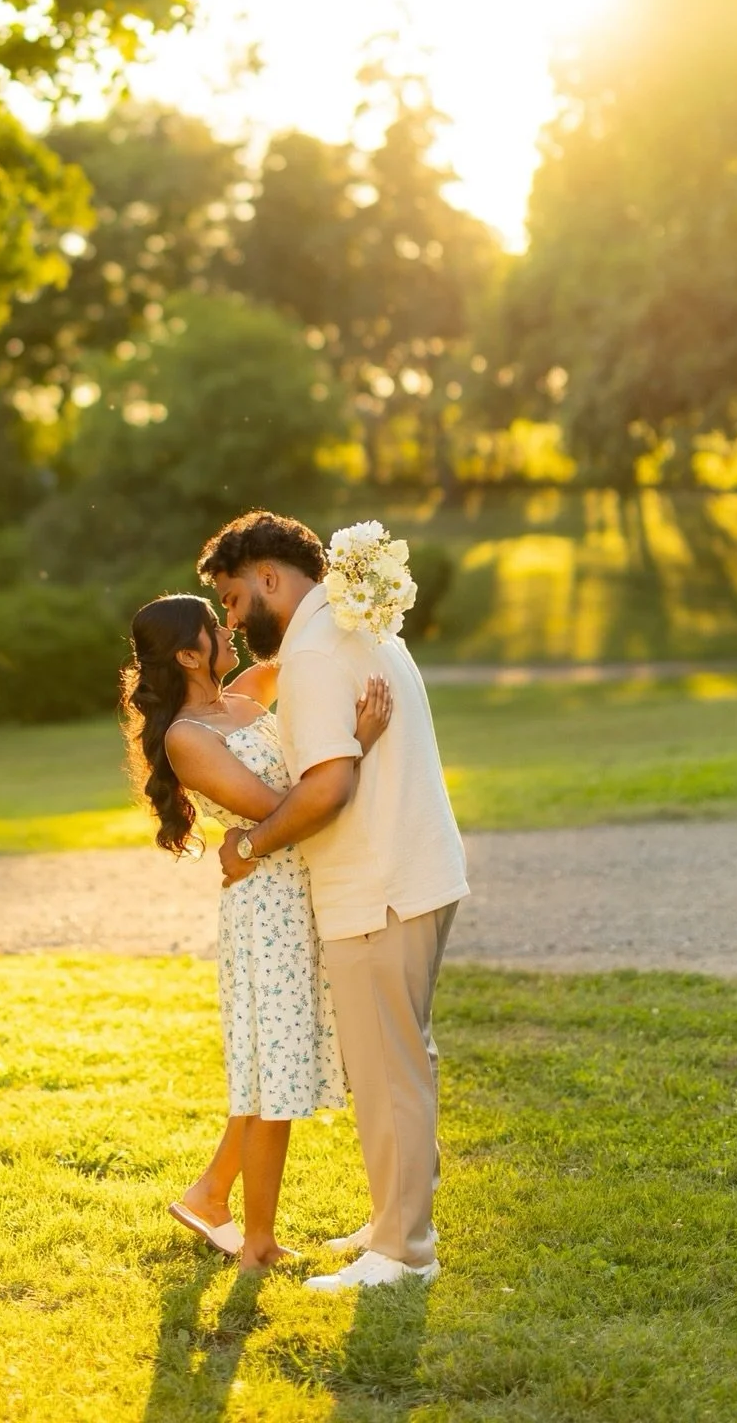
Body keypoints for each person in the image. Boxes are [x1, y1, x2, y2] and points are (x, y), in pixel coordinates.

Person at [196, 510, 470, 1292]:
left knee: (389, 1069)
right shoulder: (364, 626)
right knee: (400, 1056)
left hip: (378, 883)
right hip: (418, 867)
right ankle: (399, 1214)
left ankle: (403, 1251)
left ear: (272, 578)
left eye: (237, 598)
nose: (236, 619)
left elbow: (325, 788)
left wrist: (247, 847)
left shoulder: (315, 653)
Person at [122, 592, 394, 1272]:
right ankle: (250, 1235)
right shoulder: (189, 737)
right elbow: (283, 809)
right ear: (188, 655)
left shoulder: (245, 695)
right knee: (276, 1071)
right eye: (216, 629)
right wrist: (354, 744)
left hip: (304, 889)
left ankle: (213, 1197)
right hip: (268, 908)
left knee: (281, 1066)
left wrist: (361, 596)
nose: (229, 629)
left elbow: (302, 650)